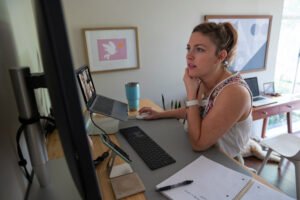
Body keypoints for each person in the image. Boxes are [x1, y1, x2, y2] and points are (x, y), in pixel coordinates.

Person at [139, 22, 252, 158]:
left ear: (220, 56)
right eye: (189, 48)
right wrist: (159, 114)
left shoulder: (234, 93)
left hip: (226, 164)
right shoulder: (204, 79)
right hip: (203, 158)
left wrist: (192, 94)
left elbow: (198, 144)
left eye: (199, 49)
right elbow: (198, 112)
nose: (189, 56)